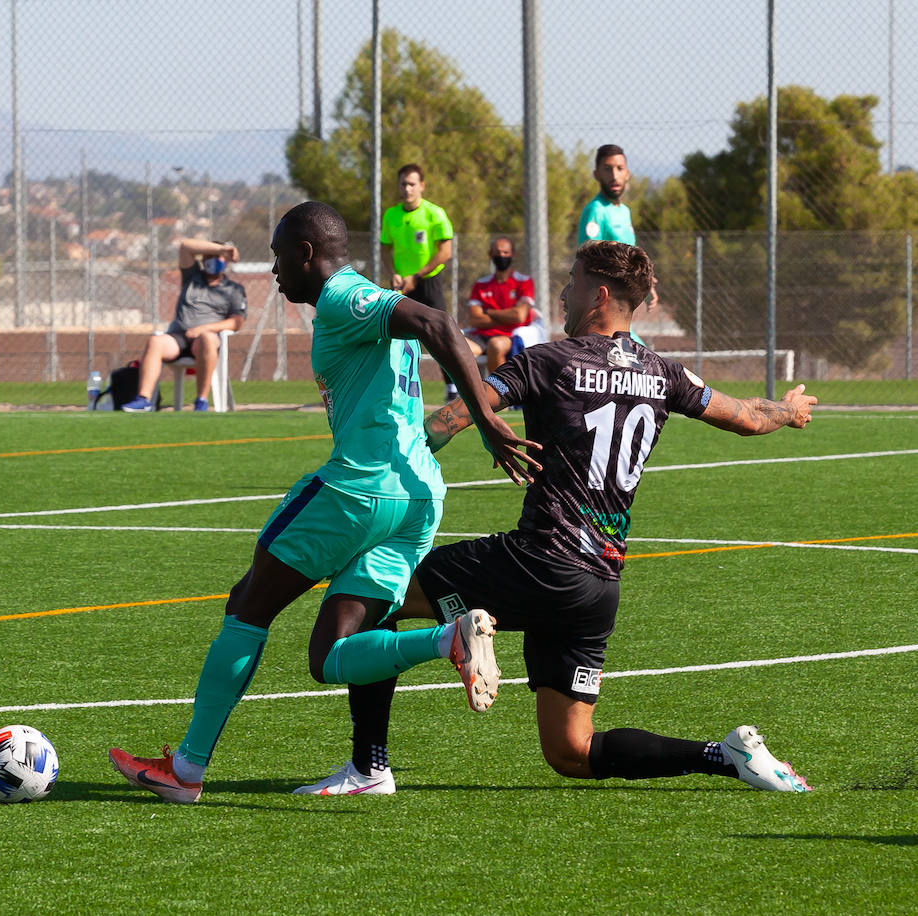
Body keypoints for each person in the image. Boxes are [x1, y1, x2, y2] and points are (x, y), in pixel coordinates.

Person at [293, 240, 816, 797]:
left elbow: (454, 416)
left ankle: (370, 768)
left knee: (375, 594)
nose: (562, 293)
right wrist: (789, 410)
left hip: (535, 563)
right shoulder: (664, 373)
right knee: (572, 752)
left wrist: (399, 460)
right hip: (595, 587)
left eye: (571, 280)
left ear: (600, 294)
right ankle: (726, 755)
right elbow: (745, 417)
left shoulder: (549, 360)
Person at [109, 201, 537, 803]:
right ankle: (448, 640)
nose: (277, 272)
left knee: (247, 603)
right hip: (417, 500)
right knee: (330, 653)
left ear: (308, 253)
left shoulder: (342, 296)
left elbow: (440, 325)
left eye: (282, 257)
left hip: (355, 491)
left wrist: (489, 423)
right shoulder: (362, 302)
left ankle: (186, 770)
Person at [121, 239, 247, 413]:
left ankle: (201, 401)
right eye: (210, 257)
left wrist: (204, 329)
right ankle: (144, 399)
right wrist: (223, 249)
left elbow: (236, 322)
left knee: (207, 339)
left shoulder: (234, 289)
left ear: (226, 262)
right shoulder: (192, 278)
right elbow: (185, 246)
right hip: (178, 337)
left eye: (219, 257)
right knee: (156, 341)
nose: (215, 260)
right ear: (202, 260)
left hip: (205, 341)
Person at [381, 164, 458, 400]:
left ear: (422, 186)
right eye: (403, 183)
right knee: (394, 336)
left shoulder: (434, 213)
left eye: (412, 184)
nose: (407, 188)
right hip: (402, 285)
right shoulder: (391, 215)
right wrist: (393, 272)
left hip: (428, 282)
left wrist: (418, 275)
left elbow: (445, 251)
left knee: (440, 333)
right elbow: (385, 247)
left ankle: (452, 387)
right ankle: (395, 387)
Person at [578, 143, 658, 328]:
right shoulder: (595, 210)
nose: (614, 175)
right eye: (607, 169)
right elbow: (589, 254)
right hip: (602, 312)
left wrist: (645, 281)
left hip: (621, 309)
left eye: (619, 168)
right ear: (596, 174)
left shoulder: (624, 212)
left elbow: (628, 257)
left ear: (627, 173)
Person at [465, 235, 534, 371]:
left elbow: (519, 316)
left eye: (505, 253)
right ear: (490, 255)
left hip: (509, 336)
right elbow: (474, 320)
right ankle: (458, 391)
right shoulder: (481, 284)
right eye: (497, 253)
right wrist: (508, 317)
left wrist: (488, 312)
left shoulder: (524, 282)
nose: (501, 256)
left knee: (495, 346)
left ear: (513, 254)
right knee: (454, 345)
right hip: (481, 337)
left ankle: (498, 391)